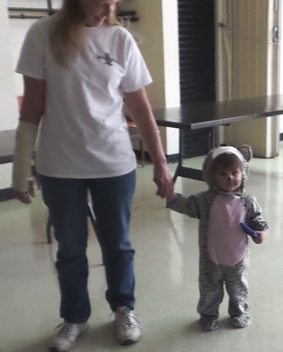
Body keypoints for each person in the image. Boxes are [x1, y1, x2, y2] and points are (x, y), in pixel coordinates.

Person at [11, 0, 174, 351]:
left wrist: (161, 162)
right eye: (101, 1)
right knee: (70, 248)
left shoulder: (120, 39)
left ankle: (123, 309)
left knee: (118, 245)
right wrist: (21, 169)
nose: (108, 8)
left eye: (113, 1)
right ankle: (74, 318)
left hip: (114, 162)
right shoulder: (43, 33)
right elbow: (33, 109)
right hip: (59, 165)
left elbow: (140, 106)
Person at [166, 145, 267, 332]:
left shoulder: (248, 201)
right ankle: (208, 315)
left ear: (242, 173)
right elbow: (187, 205)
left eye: (234, 173)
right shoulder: (204, 200)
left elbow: (257, 221)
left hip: (237, 259)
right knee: (209, 290)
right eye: (222, 173)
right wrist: (172, 196)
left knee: (238, 289)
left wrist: (260, 232)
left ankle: (239, 312)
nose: (230, 178)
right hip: (210, 259)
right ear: (211, 175)